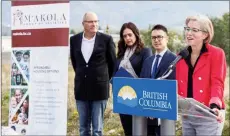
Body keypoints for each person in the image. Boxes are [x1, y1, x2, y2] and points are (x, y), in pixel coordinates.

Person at [176, 15, 227, 136]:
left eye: (194, 30)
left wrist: (215, 106)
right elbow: (177, 84)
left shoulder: (216, 54)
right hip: (188, 114)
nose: (189, 33)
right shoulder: (181, 55)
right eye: (187, 29)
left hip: (208, 113)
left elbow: (217, 82)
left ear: (205, 35)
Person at [70, 12, 116, 136]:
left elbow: (112, 64)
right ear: (83, 24)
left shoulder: (106, 39)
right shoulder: (74, 40)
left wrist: (103, 79)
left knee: (97, 129)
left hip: (99, 89)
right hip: (81, 89)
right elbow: (75, 63)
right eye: (90, 21)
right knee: (83, 128)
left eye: (96, 21)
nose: (94, 24)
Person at [115, 22, 152, 135]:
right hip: (123, 97)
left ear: (136, 34)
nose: (127, 38)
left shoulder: (145, 51)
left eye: (130, 35)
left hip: (138, 97)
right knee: (128, 131)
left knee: (140, 131)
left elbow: (146, 74)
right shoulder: (121, 53)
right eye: (125, 36)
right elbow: (115, 72)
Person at [140, 24, 177, 136]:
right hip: (147, 114)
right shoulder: (148, 61)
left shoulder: (174, 60)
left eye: (159, 37)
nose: (156, 40)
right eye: (153, 37)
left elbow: (173, 86)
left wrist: (156, 108)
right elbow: (142, 83)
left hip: (164, 114)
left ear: (167, 39)